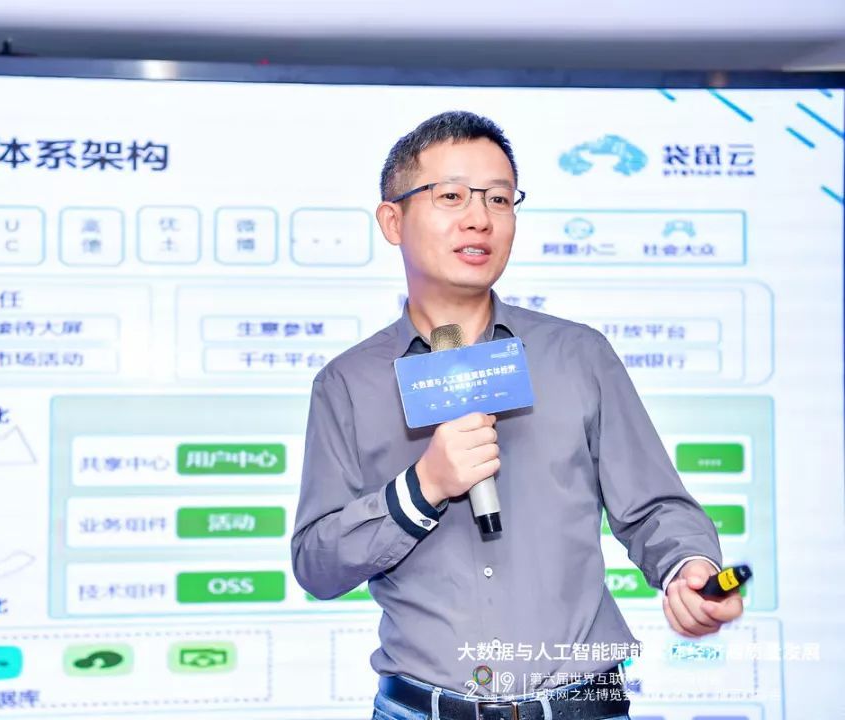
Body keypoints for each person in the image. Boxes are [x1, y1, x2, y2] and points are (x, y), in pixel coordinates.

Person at [290, 111, 744, 720]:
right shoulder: (349, 383)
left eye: (499, 199)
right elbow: (317, 565)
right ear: (393, 220)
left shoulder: (577, 355)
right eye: (452, 196)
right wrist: (423, 488)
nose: (479, 218)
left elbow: (656, 508)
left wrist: (690, 569)